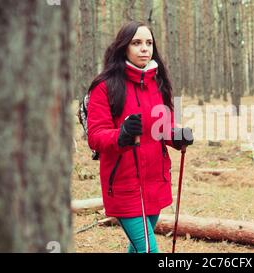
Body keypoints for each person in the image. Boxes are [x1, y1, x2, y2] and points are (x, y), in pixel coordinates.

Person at [86, 21, 193, 253]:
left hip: (156, 181)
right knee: (148, 250)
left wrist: (178, 136)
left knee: (138, 249)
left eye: (148, 43)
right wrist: (121, 135)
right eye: (136, 43)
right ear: (123, 47)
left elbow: (164, 128)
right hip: (124, 186)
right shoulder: (105, 87)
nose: (144, 48)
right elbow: (95, 136)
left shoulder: (159, 84)